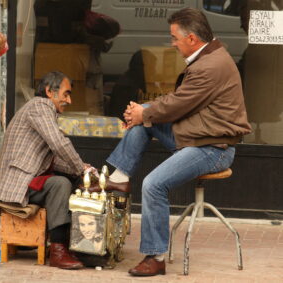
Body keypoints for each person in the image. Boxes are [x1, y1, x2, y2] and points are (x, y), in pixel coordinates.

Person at [103, 8, 252, 276]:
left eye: (174, 38)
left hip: (212, 148)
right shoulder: (209, 55)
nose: (171, 44)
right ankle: (120, 176)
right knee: (145, 116)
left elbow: (179, 104)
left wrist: (143, 113)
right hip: (198, 134)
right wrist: (142, 113)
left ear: (192, 38)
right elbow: (177, 101)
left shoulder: (209, 66)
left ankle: (156, 256)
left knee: (153, 184)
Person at [0, 71, 98, 270]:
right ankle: (58, 250)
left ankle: (75, 244)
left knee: (71, 179)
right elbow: (59, 144)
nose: (69, 100)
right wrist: (80, 168)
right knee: (60, 184)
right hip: (16, 186)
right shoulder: (40, 106)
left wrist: (84, 170)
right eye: (66, 94)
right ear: (49, 91)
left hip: (27, 181)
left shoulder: (43, 111)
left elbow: (54, 160)